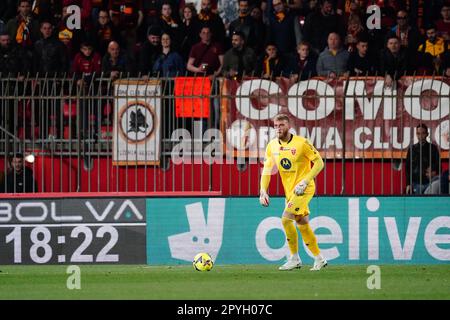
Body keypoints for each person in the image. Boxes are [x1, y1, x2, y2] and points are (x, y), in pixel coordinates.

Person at [259, 113, 327, 271]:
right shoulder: (272, 146)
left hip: (304, 188)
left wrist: (305, 180)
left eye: (281, 125)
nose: (278, 128)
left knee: (285, 220)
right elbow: (267, 170)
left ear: (288, 126)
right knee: (302, 223)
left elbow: (319, 163)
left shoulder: (302, 143)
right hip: (290, 192)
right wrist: (263, 190)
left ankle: (294, 258)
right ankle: (319, 258)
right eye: (275, 126)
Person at [405, 124, 441, 195]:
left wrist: (434, 171)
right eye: (418, 133)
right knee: (417, 205)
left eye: (423, 133)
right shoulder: (412, 149)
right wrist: (408, 184)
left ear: (427, 134)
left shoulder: (433, 148)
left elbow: (439, 166)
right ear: (416, 134)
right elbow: (407, 168)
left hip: (430, 183)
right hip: (416, 183)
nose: (420, 136)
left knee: (429, 204)